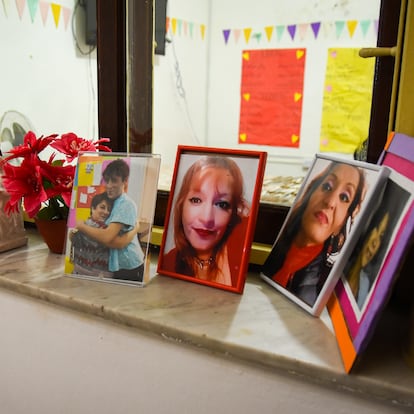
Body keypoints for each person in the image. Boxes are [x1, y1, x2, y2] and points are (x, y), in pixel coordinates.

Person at [261, 161, 367, 307]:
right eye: (327, 186)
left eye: (344, 197)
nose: (330, 202)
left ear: (341, 224)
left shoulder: (319, 289)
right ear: (309, 195)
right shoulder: (274, 254)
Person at [161, 156, 250, 287]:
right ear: (181, 204)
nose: (207, 218)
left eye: (222, 204)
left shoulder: (239, 249)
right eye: (196, 200)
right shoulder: (169, 263)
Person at [76, 159, 145, 282]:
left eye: (114, 180)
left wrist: (82, 227)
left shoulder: (126, 204)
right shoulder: (111, 201)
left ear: (125, 181)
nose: (109, 185)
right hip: (115, 266)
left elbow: (109, 238)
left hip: (129, 265)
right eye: (107, 180)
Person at [70, 192, 138, 278]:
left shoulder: (84, 224)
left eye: (109, 209)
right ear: (93, 208)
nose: (106, 212)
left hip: (79, 270)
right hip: (97, 275)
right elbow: (120, 242)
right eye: (102, 207)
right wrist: (135, 228)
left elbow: (73, 238)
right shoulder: (101, 229)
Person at [346, 211, 390, 309]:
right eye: (376, 229)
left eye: (381, 236)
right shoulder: (342, 267)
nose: (375, 242)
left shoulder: (365, 285)